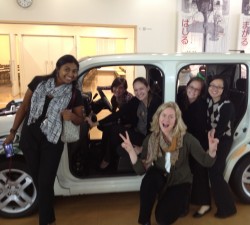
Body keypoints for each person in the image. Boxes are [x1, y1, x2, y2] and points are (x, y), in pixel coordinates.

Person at [3, 54, 84, 225]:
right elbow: (24, 107)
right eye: (67, 70)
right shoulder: (38, 82)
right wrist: (12, 132)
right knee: (40, 181)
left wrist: (70, 116)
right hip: (30, 137)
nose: (71, 74)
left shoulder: (74, 93)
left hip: (52, 141)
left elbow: (80, 119)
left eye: (75, 71)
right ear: (58, 69)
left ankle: (46, 221)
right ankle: (50, 218)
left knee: (45, 181)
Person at [119, 102, 219, 225]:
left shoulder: (186, 138)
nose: (166, 119)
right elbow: (140, 170)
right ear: (158, 117)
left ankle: (180, 202)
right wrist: (130, 151)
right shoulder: (151, 139)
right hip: (161, 178)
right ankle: (144, 221)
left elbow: (206, 162)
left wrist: (212, 150)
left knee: (162, 218)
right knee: (149, 180)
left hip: (180, 181)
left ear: (177, 120)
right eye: (163, 115)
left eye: (171, 116)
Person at [87, 77, 162, 169]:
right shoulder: (137, 100)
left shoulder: (155, 102)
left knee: (115, 129)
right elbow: (119, 113)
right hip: (137, 132)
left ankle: (107, 160)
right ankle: (107, 158)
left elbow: (158, 130)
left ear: (148, 88)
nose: (139, 93)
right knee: (112, 129)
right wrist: (96, 123)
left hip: (146, 139)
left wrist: (143, 148)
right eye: (136, 90)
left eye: (141, 89)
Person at [194, 74, 237, 219]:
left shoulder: (227, 106)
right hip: (211, 137)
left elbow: (220, 129)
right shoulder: (208, 101)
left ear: (224, 90)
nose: (215, 89)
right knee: (202, 167)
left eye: (219, 87)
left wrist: (210, 148)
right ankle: (205, 201)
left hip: (222, 140)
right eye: (212, 86)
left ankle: (228, 208)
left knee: (215, 173)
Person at [176, 77, 209, 217]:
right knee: (185, 173)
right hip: (182, 141)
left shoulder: (201, 106)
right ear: (186, 86)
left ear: (200, 93)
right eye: (191, 87)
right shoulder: (180, 98)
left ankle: (205, 203)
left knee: (199, 172)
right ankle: (186, 202)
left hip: (197, 142)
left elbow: (199, 130)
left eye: (197, 90)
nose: (193, 91)